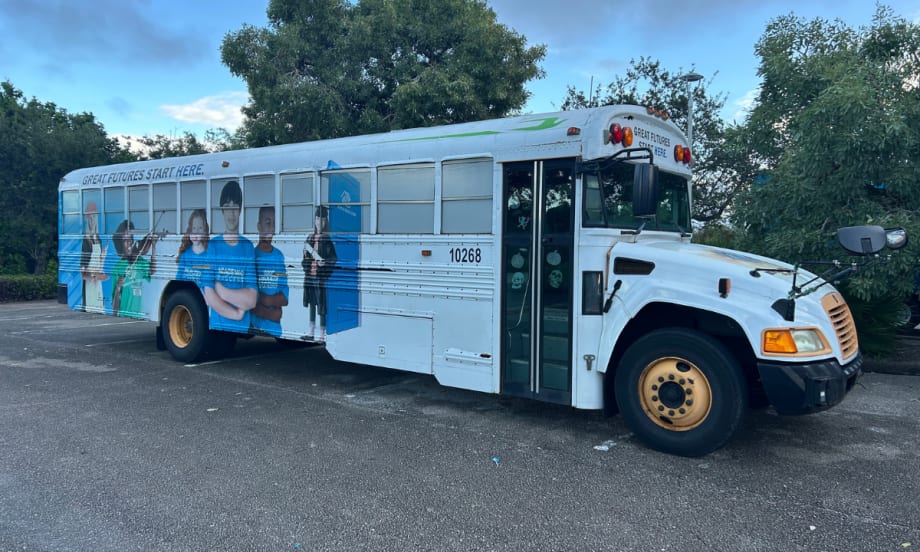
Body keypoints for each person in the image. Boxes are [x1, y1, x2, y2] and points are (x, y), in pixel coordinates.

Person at [205, 180, 257, 333]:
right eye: (227, 207)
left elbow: (251, 299)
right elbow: (209, 295)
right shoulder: (213, 246)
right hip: (219, 322)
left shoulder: (247, 247)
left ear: (240, 210)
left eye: (235, 207)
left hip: (244, 326)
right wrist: (236, 313)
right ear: (222, 210)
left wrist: (221, 291)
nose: (231, 213)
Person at [251, 206, 289, 337]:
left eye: (274, 224)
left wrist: (265, 300)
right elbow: (251, 303)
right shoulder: (253, 256)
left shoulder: (278, 256)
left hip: (276, 329)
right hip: (256, 326)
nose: (271, 229)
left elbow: (285, 297)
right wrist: (273, 313)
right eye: (268, 223)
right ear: (259, 227)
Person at [302, 205, 337, 340]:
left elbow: (333, 258)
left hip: (320, 277)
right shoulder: (309, 238)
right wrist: (307, 258)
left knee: (321, 305)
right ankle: (311, 331)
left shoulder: (326, 239)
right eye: (317, 219)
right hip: (310, 276)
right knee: (311, 303)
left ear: (326, 221)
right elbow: (303, 259)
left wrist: (325, 263)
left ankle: (322, 333)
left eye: (322, 219)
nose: (319, 222)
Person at [111, 219, 157, 318]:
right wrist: (118, 288)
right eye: (125, 241)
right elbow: (114, 307)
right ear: (120, 244)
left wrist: (153, 247)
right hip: (123, 314)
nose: (129, 243)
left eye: (131, 239)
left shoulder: (139, 261)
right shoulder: (117, 267)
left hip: (138, 315)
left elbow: (152, 270)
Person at [80, 202, 108, 312]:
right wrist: (92, 275)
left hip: (98, 278)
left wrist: (103, 255)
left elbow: (100, 261)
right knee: (91, 304)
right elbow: (83, 265)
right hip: (90, 280)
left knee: (99, 305)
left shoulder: (98, 238)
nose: (93, 220)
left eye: (94, 216)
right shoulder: (86, 240)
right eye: (90, 217)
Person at [176, 209, 212, 292]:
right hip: (187, 292)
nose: (196, 233)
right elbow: (179, 276)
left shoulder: (208, 255)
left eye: (200, 228)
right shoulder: (185, 254)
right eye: (193, 228)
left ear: (205, 231)